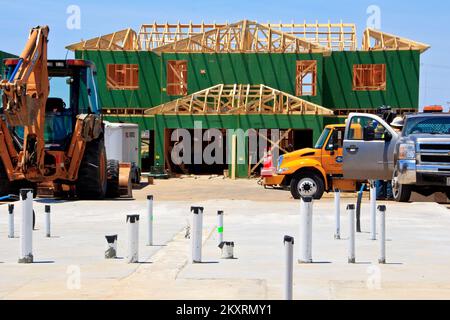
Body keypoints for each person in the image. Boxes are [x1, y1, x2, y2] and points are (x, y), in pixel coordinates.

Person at [376, 116, 404, 200]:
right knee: (392, 177)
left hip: (384, 156)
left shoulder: (387, 133)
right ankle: (390, 195)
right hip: (396, 158)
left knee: (380, 176)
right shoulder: (402, 135)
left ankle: (379, 195)